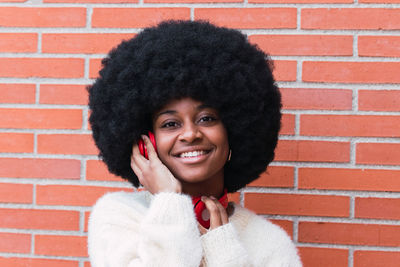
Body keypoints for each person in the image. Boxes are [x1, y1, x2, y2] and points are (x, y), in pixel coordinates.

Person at [87, 20, 302, 267]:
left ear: (234, 130)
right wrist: (169, 201)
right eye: (170, 124)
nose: (190, 134)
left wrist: (225, 251)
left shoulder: (269, 243)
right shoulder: (119, 218)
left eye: (207, 118)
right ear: (145, 143)